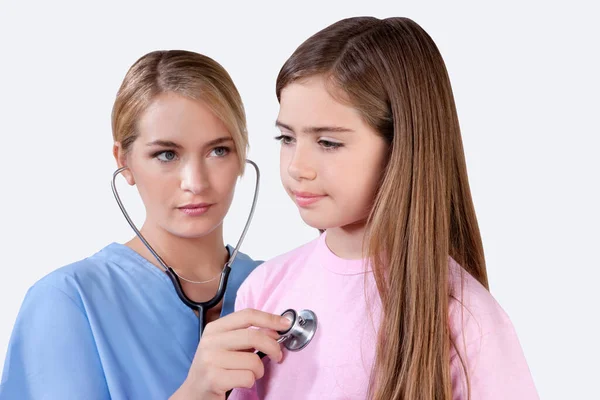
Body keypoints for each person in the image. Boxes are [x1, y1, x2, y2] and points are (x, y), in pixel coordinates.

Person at [226, 17, 540, 399]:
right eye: (286, 138)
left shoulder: (465, 319)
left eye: (327, 142)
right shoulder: (264, 289)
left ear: (401, 146)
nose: (296, 167)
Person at [0, 50, 286, 399]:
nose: (195, 182)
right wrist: (195, 392)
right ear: (125, 162)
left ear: (242, 153)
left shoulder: (281, 286)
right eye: (167, 154)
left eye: (218, 151)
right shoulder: (67, 300)